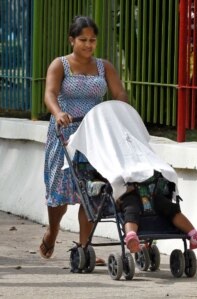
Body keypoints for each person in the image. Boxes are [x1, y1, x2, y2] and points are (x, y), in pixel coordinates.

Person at [39, 15, 128, 262]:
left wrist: (121, 111)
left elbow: (119, 92)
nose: (88, 45)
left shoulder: (104, 67)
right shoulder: (60, 65)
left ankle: (84, 247)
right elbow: (50, 93)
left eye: (92, 40)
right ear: (71, 40)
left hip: (95, 134)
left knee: (92, 191)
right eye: (83, 40)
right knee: (60, 190)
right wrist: (58, 113)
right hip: (65, 132)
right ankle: (53, 230)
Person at [118, 178, 197, 253]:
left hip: (152, 192)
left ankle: (193, 234)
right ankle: (131, 236)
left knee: (170, 207)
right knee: (132, 209)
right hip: (129, 194)